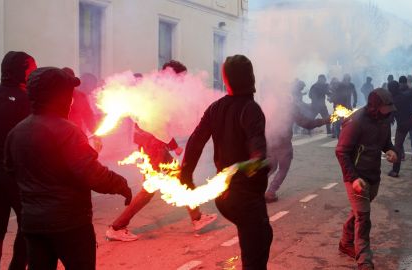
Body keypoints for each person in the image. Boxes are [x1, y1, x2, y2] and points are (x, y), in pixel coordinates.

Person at [5, 67, 132, 270]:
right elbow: (91, 174)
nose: (72, 98)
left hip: (33, 224)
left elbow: (12, 171)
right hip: (70, 225)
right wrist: (121, 184)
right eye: (69, 93)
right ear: (61, 97)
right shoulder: (68, 131)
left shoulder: (16, 132)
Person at [105, 60, 217, 242]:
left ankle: (197, 218)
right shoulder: (158, 92)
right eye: (180, 78)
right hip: (153, 146)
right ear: (172, 75)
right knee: (149, 189)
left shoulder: (154, 89)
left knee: (179, 179)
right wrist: (173, 145)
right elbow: (155, 124)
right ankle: (117, 227)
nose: (182, 82)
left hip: (152, 144)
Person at [179, 55, 272, 269]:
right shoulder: (251, 109)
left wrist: (186, 174)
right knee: (256, 252)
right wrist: (255, 162)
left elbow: (195, 141)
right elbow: (257, 149)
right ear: (251, 78)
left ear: (226, 81)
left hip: (225, 196)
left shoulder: (216, 107)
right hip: (245, 196)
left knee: (255, 241)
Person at [336, 88, 398, 270]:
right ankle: (364, 261)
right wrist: (354, 179)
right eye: (387, 107)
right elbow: (341, 152)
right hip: (356, 177)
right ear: (375, 106)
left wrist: (391, 151)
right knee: (364, 219)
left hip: (373, 176)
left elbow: (386, 142)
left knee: (358, 213)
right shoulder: (356, 121)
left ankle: (346, 243)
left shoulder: (385, 120)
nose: (390, 111)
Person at [0, 51, 36, 270]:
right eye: (31, 69)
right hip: (17, 177)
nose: (33, 74)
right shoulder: (29, 101)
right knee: (28, 226)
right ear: (21, 71)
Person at [265, 81, 330, 203]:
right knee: (283, 168)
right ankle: (270, 192)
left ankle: (256, 190)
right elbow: (307, 123)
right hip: (283, 143)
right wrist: (325, 121)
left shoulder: (271, 104)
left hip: (270, 141)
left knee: (270, 167)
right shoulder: (290, 107)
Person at [64, 68, 102, 152]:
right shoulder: (53, 98)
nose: (93, 89)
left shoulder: (82, 97)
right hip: (61, 140)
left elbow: (89, 118)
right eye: (93, 85)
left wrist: (96, 136)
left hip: (77, 139)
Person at [330, 74, 357, 139]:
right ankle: (337, 134)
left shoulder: (351, 85)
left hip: (348, 105)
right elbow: (334, 93)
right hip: (339, 105)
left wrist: (355, 102)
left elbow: (354, 93)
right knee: (337, 121)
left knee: (350, 120)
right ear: (344, 79)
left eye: (348, 79)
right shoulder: (340, 85)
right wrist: (332, 99)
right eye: (346, 79)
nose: (347, 80)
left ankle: (348, 133)